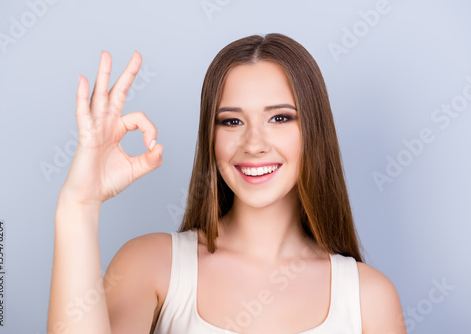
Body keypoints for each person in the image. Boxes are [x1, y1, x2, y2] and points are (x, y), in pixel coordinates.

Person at [48, 33, 407, 334]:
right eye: (231, 122)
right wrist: (79, 206)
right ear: (210, 136)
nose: (253, 144)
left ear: (314, 131)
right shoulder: (151, 264)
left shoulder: (369, 298)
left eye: (280, 118)